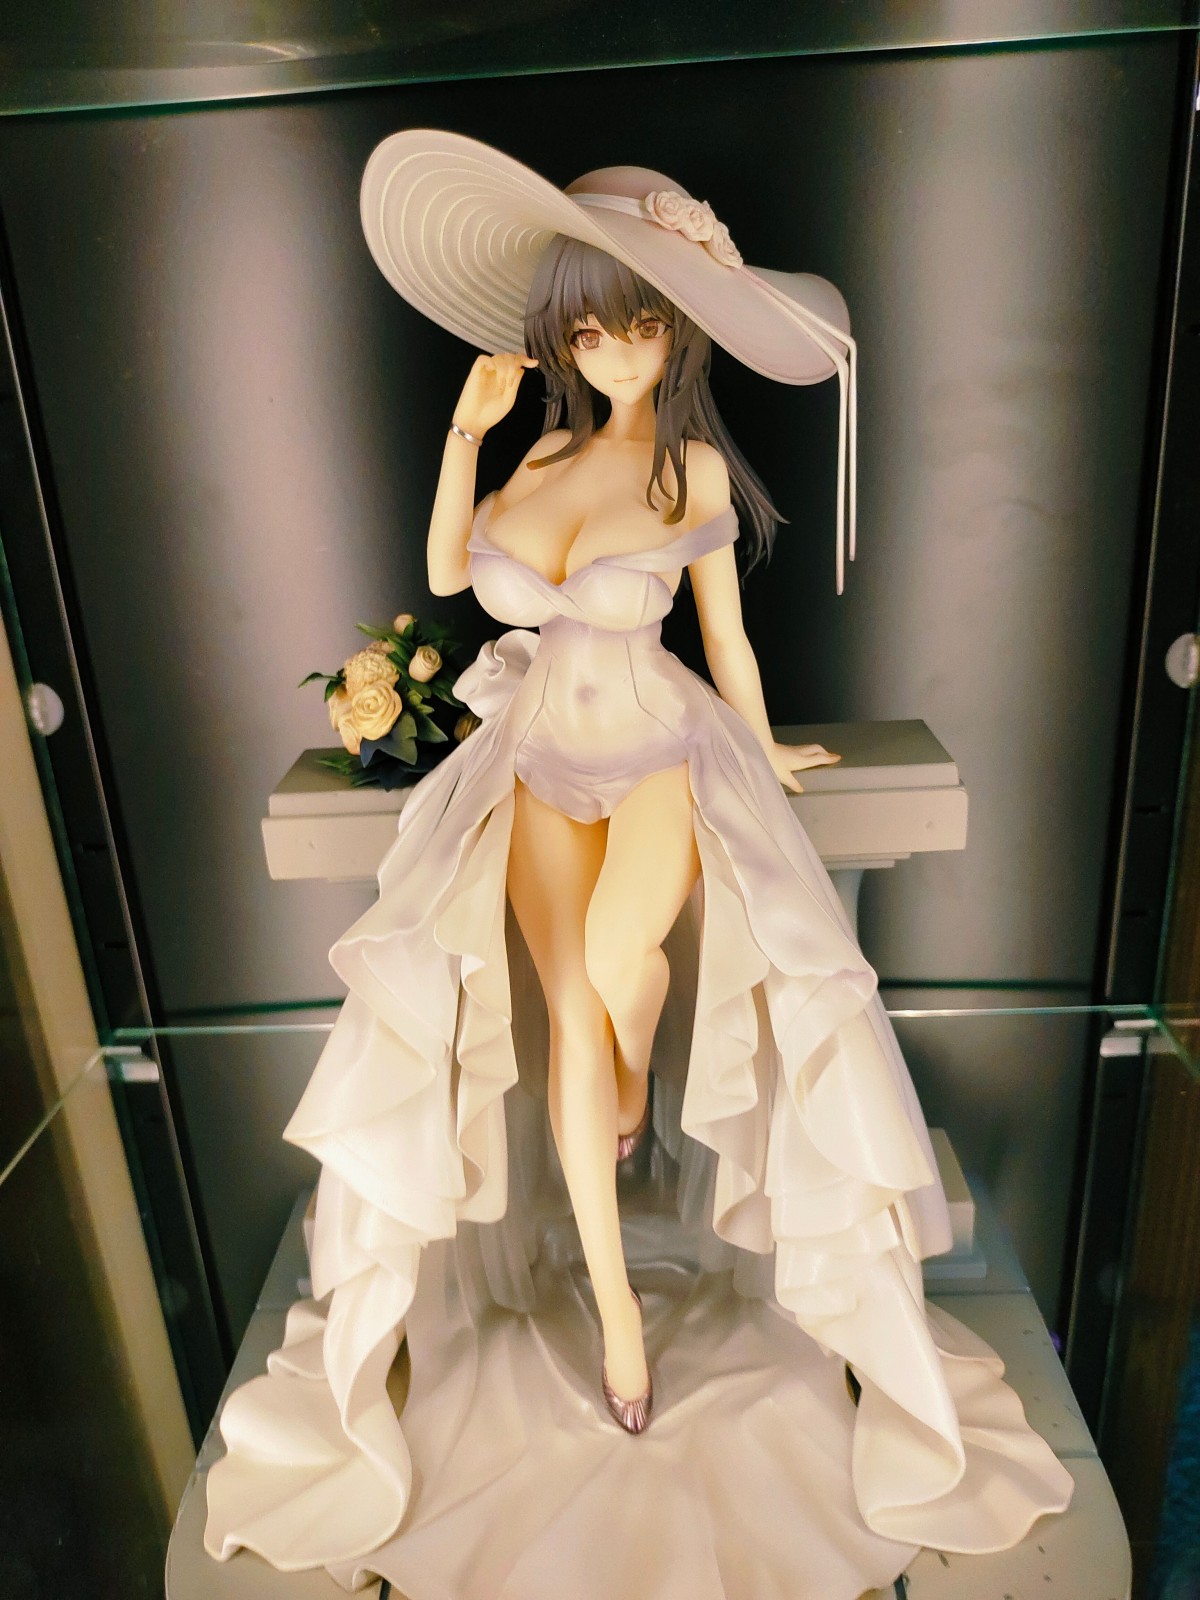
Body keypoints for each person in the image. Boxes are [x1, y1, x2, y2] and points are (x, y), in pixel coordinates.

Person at [204, 130, 1073, 1599]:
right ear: (561, 338)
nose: (612, 349)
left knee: (620, 966)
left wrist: (769, 747)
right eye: (590, 328)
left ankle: (629, 1065)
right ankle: (615, 1308)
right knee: (563, 1024)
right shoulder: (538, 453)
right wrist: (465, 434)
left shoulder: (690, 472)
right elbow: (446, 576)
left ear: (677, 332)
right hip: (536, 755)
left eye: (639, 323)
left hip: (659, 745)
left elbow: (724, 637)